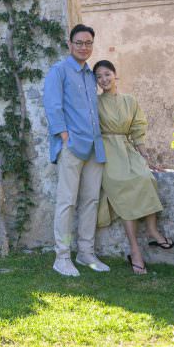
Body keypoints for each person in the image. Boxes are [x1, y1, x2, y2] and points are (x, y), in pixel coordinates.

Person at [92, 59, 173, 275]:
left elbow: (138, 129)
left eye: (107, 74)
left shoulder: (130, 101)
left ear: (115, 75)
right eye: (99, 76)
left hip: (127, 149)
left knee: (147, 179)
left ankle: (153, 231)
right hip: (108, 152)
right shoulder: (94, 103)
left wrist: (147, 157)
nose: (104, 79)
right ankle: (135, 251)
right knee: (123, 188)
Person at [43, 24, 109, 277]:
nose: (84, 47)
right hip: (72, 146)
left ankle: (86, 253)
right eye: (79, 42)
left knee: (91, 200)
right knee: (66, 202)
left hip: (95, 146)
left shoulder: (91, 76)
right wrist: (65, 136)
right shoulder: (59, 71)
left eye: (88, 43)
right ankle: (62, 257)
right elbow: (52, 106)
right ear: (70, 45)